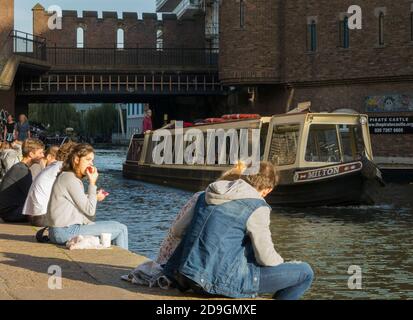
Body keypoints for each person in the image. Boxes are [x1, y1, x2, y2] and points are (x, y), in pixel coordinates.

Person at [163, 162, 314, 300]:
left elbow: (177, 231)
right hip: (220, 282)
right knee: (305, 272)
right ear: (267, 190)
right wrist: (283, 264)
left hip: (186, 276)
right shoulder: (257, 206)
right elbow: (266, 258)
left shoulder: (206, 194)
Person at [46, 143, 129, 250]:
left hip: (59, 230)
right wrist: (92, 183)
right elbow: (90, 211)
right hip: (65, 231)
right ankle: (125, 265)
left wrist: (94, 196)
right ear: (76, 159)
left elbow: (86, 212)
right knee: (121, 228)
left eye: (92, 160)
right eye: (88, 159)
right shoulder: (70, 179)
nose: (91, 164)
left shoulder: (67, 176)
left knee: (114, 226)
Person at [23, 142, 76, 227]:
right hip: (42, 217)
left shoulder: (54, 166)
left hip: (35, 216)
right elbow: (75, 199)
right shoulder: (63, 169)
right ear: (75, 158)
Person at [0, 138, 45, 223]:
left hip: (9, 211)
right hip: (11, 213)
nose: (43, 155)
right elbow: (33, 195)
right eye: (40, 153)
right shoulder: (21, 170)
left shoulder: (20, 168)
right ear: (31, 154)